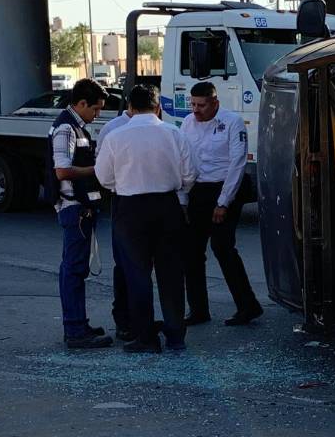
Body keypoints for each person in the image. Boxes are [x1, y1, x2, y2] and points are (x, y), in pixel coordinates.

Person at [95, 85, 195, 353]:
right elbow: (190, 174)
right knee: (171, 273)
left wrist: (125, 184)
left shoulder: (115, 137)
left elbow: (104, 178)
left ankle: (146, 337)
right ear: (158, 106)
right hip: (167, 205)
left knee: (137, 274)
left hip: (130, 208)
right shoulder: (174, 133)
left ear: (129, 108)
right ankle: (176, 335)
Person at [181, 82, 263, 326]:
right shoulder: (187, 123)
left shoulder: (232, 122)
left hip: (225, 188)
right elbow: (184, 159)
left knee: (222, 247)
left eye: (201, 105)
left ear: (215, 102)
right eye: (193, 104)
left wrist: (223, 202)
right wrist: (184, 197)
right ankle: (198, 310)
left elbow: (237, 164)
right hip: (198, 189)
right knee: (192, 252)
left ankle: (247, 306)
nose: (196, 110)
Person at [52, 78, 112, 349]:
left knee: (76, 269)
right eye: (95, 109)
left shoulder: (77, 126)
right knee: (73, 271)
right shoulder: (66, 128)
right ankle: (75, 331)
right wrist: (97, 170)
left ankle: (79, 324)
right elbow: (63, 171)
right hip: (73, 208)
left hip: (79, 207)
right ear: (81, 103)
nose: (97, 114)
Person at [97, 107, 134, 342]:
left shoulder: (164, 129)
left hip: (125, 198)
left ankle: (136, 320)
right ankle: (125, 321)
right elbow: (104, 171)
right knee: (125, 265)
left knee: (132, 265)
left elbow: (103, 175)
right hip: (126, 199)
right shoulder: (112, 129)